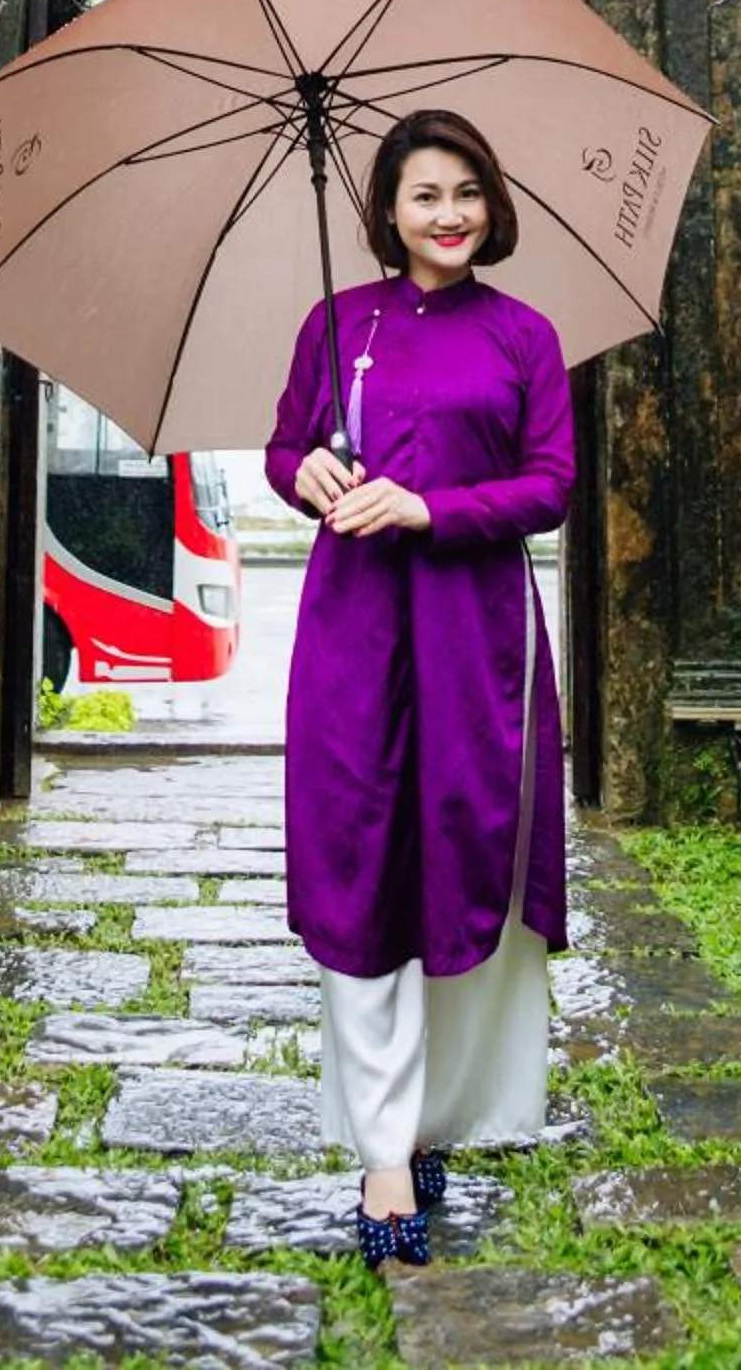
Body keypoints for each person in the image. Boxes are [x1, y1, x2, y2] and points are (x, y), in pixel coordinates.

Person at [263, 106, 574, 1269]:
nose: (446, 215)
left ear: (490, 206)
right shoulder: (336, 326)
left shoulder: (524, 336)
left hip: (476, 632)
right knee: (360, 863)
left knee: (463, 855)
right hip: (353, 630)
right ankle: (384, 1151)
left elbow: (548, 485)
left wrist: (431, 508)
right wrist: (313, 471)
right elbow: (282, 450)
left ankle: (442, 1115)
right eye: (423, 196)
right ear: (385, 213)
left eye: (465, 194)